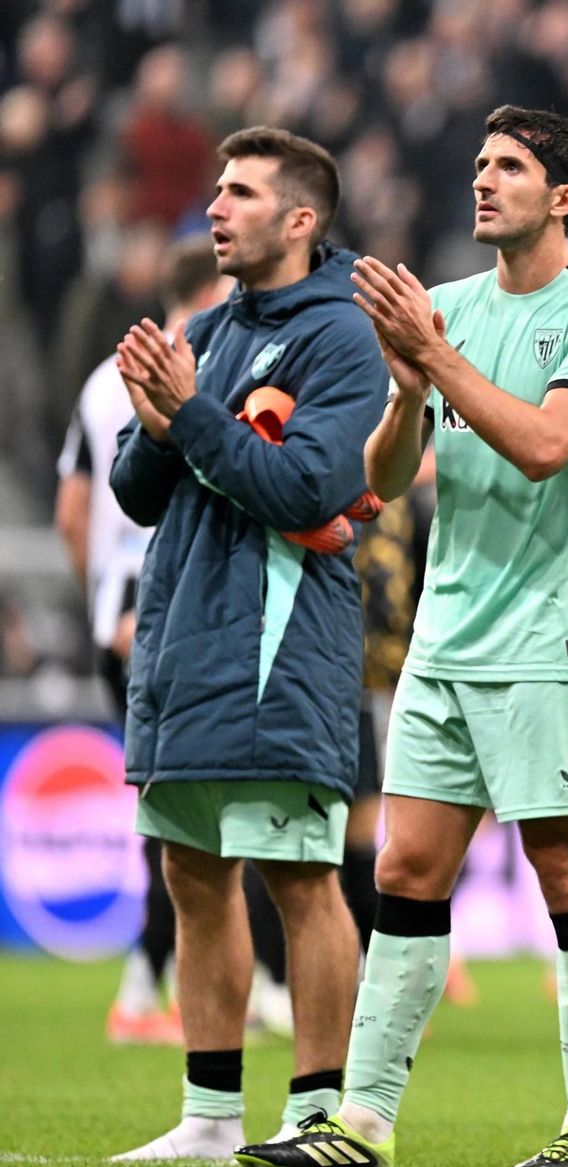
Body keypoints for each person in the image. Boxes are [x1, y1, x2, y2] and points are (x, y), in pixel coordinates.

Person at [235, 105, 568, 1167]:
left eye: (507, 167)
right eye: (476, 164)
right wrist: (410, 391)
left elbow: (549, 444)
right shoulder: (449, 307)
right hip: (449, 636)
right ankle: (363, 1125)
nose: (481, 181)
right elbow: (382, 484)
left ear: (563, 198)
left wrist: (435, 353)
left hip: (554, 640)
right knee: (409, 869)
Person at [107, 127, 389, 1159]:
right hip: (183, 638)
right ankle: (209, 1117)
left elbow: (309, 490)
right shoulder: (209, 327)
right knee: (189, 873)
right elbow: (139, 496)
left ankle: (318, 1114)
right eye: (217, 192)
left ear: (300, 219)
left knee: (301, 877)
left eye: (240, 193)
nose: (214, 209)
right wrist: (155, 419)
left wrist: (189, 420)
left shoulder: (344, 337)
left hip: (279, 645)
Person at [56, 236, 230, 1049]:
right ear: (209, 289)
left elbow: (71, 505)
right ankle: (140, 990)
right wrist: (127, 598)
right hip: (157, 611)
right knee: (186, 815)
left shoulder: (101, 379)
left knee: (179, 812)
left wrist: (98, 596)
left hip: (114, 613)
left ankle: (186, 983)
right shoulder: (196, 363)